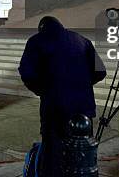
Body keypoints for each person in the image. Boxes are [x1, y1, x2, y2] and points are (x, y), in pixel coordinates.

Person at [19, 16, 107, 177]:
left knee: (54, 157)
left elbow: (27, 73)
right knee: (82, 157)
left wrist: (42, 90)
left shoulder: (37, 41)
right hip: (83, 109)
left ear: (41, 29)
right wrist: (82, 85)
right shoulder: (82, 40)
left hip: (55, 108)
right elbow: (101, 71)